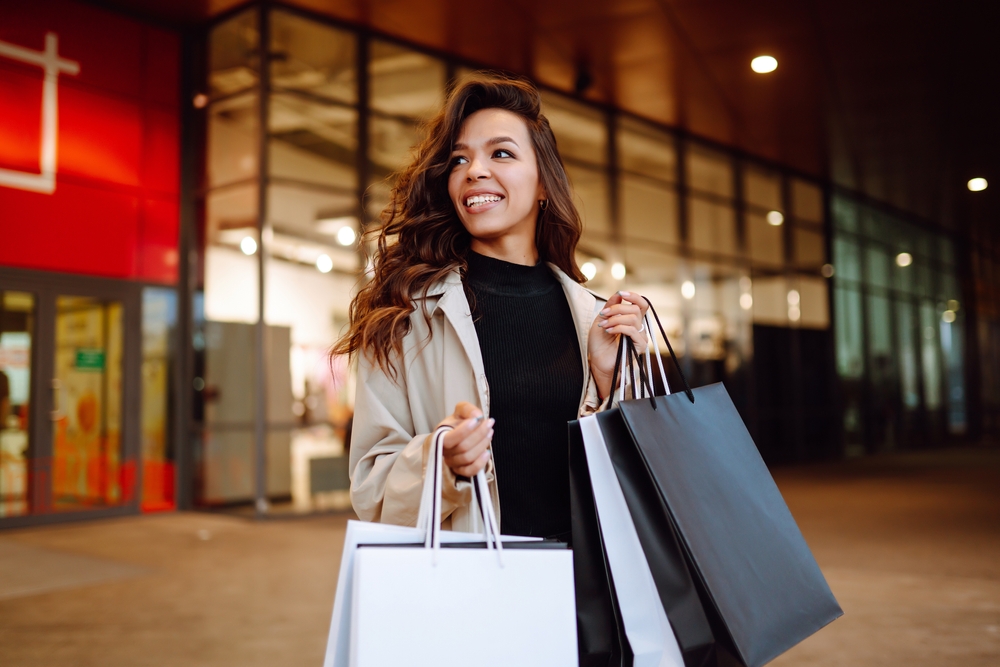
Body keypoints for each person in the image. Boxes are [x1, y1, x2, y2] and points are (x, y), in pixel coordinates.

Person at [334, 73, 648, 537]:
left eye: (501, 153)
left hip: (587, 589)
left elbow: (642, 480)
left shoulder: (596, 318)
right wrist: (444, 464)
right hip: (475, 592)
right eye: (459, 159)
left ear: (544, 183)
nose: (474, 170)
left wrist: (610, 385)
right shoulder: (406, 315)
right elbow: (371, 490)